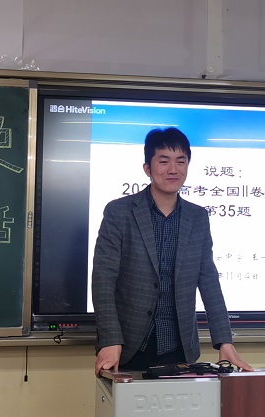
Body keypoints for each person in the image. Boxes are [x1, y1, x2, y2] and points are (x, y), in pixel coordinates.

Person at [92, 127, 252, 376]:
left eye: (181, 161)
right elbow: (103, 279)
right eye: (164, 161)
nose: (173, 169)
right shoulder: (119, 212)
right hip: (127, 346)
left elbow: (208, 280)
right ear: (147, 168)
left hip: (180, 348)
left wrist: (224, 341)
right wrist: (111, 339)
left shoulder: (198, 217)